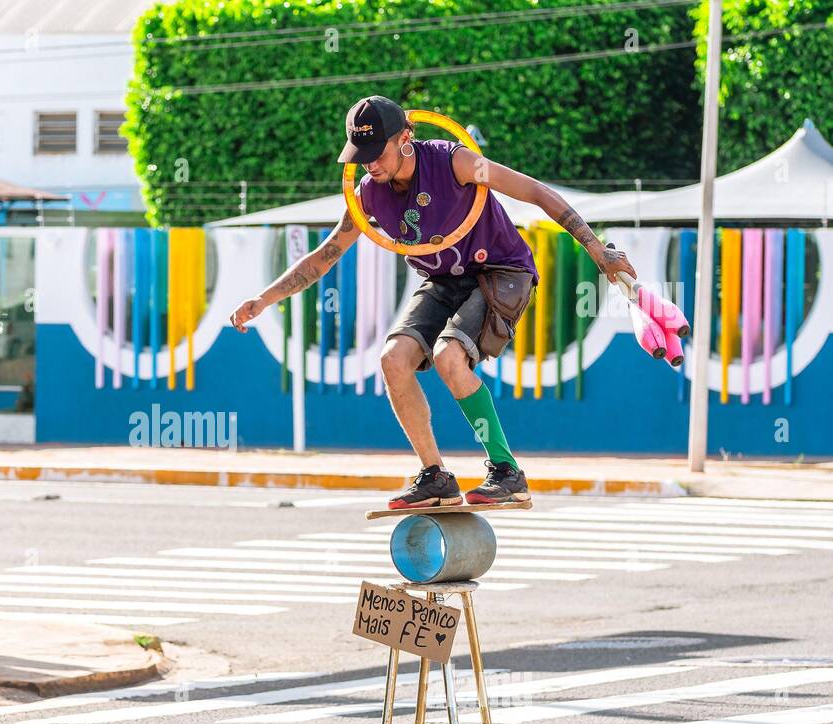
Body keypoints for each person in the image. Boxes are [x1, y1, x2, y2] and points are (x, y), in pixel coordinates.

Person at [229, 95, 636, 508]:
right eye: (360, 155)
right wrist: (263, 299)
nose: (370, 164)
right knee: (393, 359)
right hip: (444, 280)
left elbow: (534, 191)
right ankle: (435, 476)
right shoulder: (368, 195)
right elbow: (326, 254)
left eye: (377, 152)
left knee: (449, 355)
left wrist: (597, 249)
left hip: (503, 272)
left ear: (405, 137)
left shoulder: (454, 162)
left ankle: (507, 472)